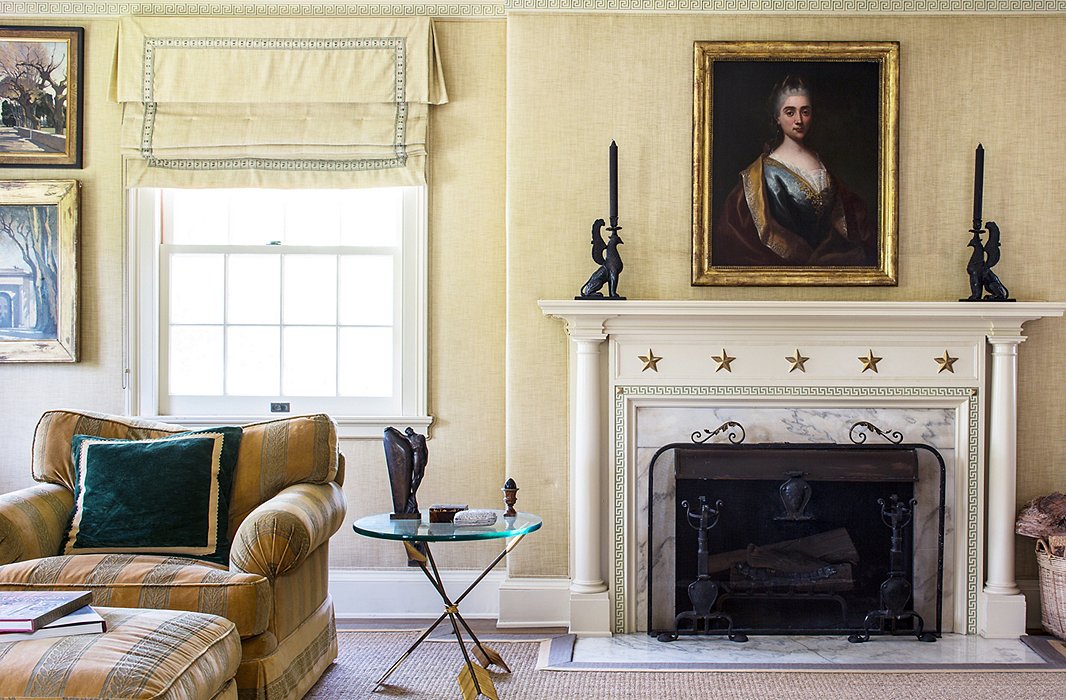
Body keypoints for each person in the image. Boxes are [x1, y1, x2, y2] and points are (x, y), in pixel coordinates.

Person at [713, 76, 876, 267]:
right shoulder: (763, 171)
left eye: (805, 112)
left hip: (832, 261)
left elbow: (846, 216)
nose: (799, 120)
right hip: (785, 263)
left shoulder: (820, 161)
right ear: (777, 118)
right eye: (790, 112)